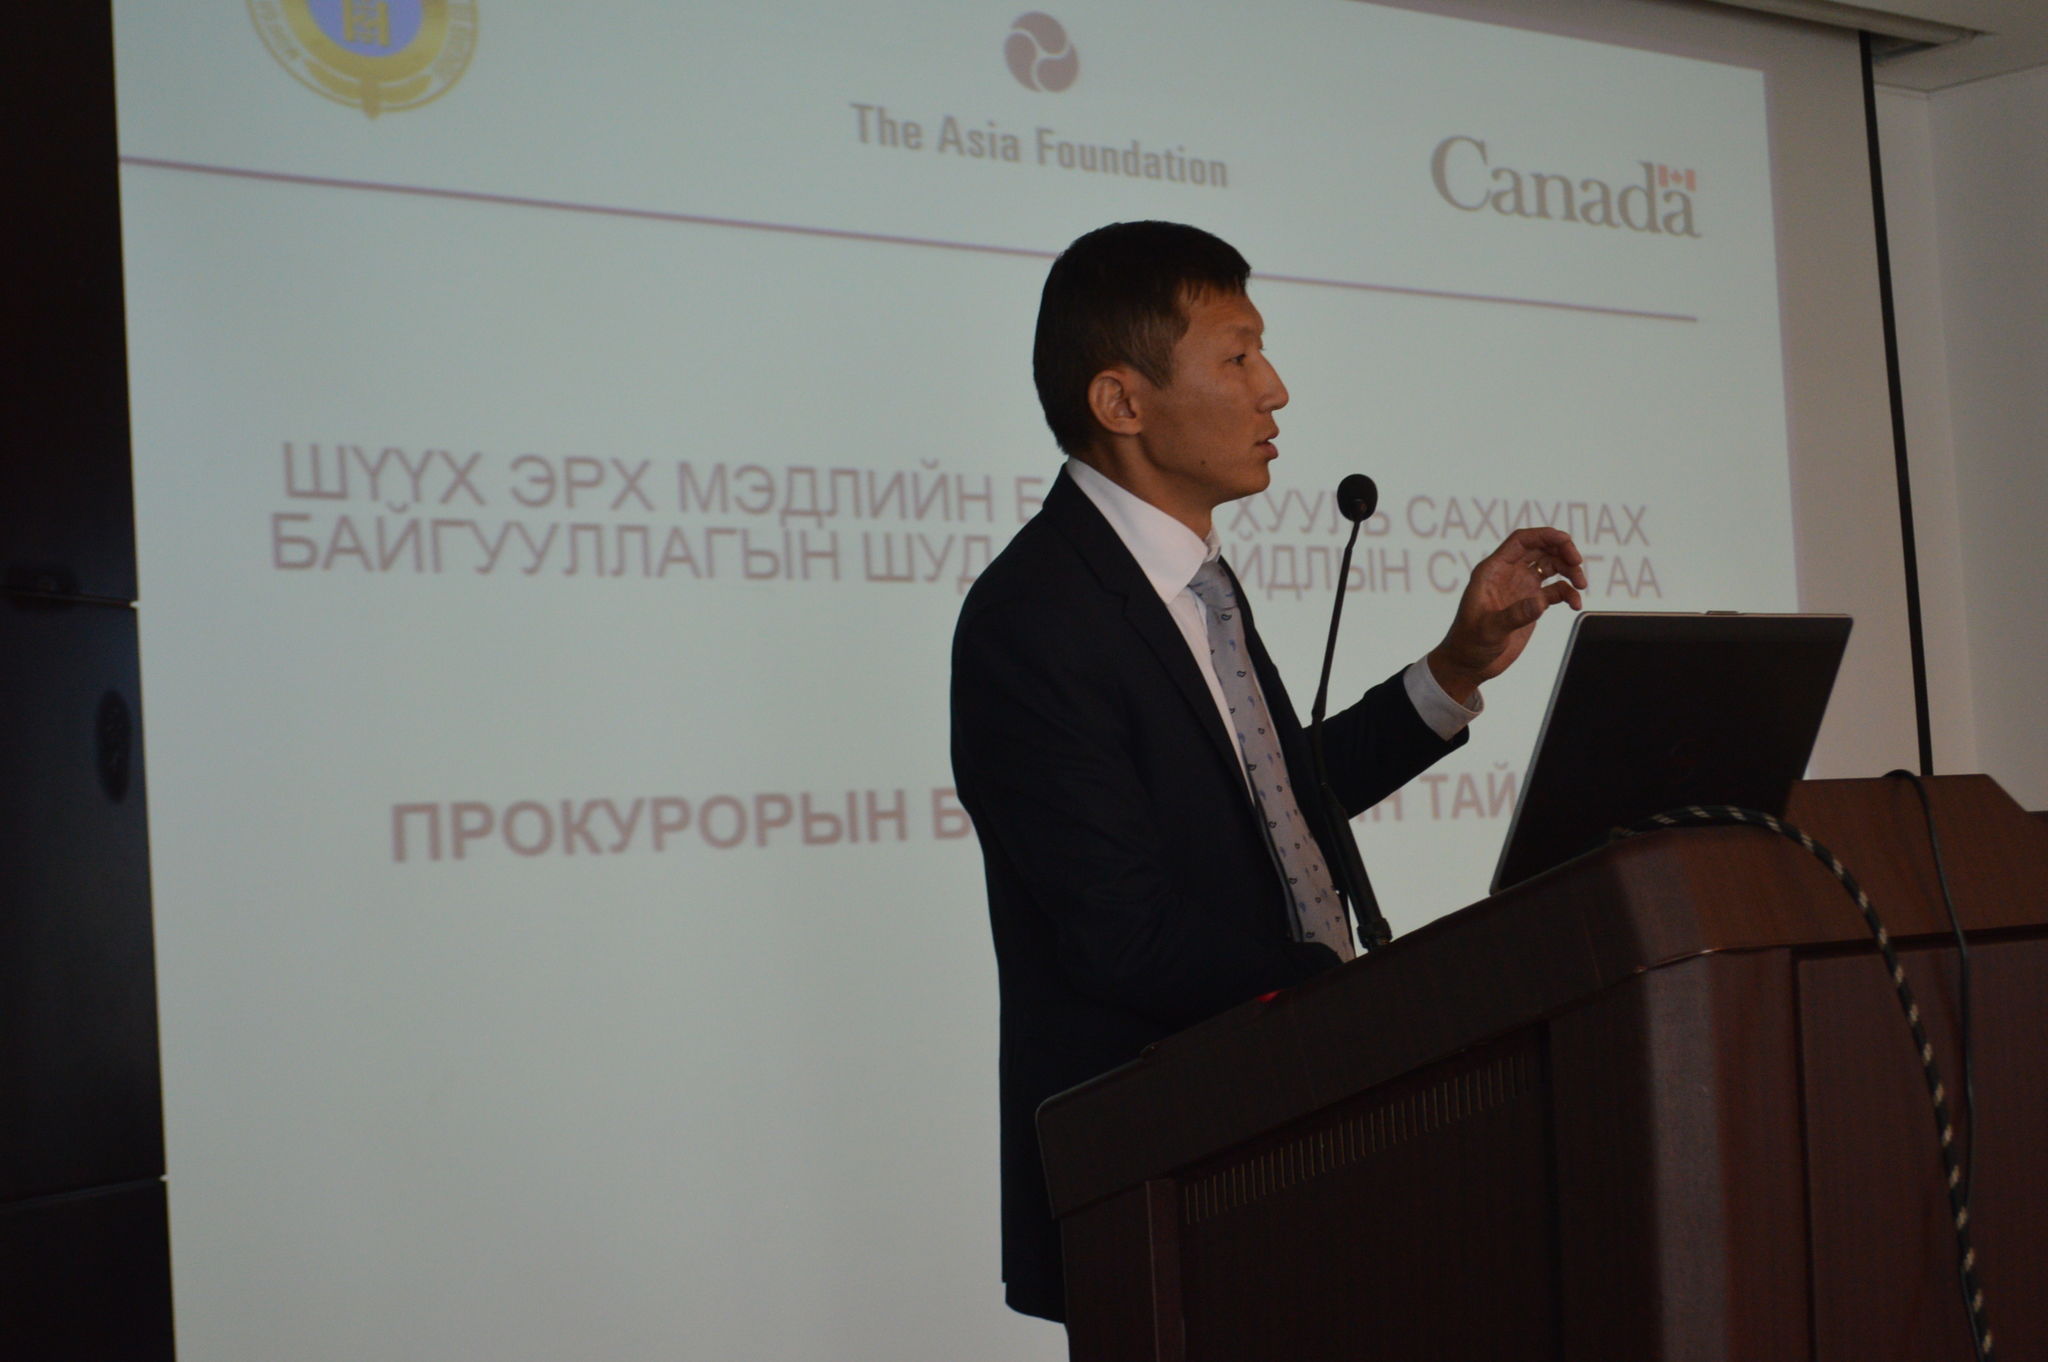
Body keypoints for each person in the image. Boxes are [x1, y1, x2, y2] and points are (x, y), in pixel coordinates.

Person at [949, 220, 1584, 1323]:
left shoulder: (1197, 583)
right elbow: (1121, 931)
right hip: (1166, 1183)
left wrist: (1453, 668)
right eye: (1238, 357)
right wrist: (1355, 1004)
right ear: (1121, 401)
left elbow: (1275, 801)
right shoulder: (1034, 617)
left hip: (1284, 1145)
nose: (1274, 389)